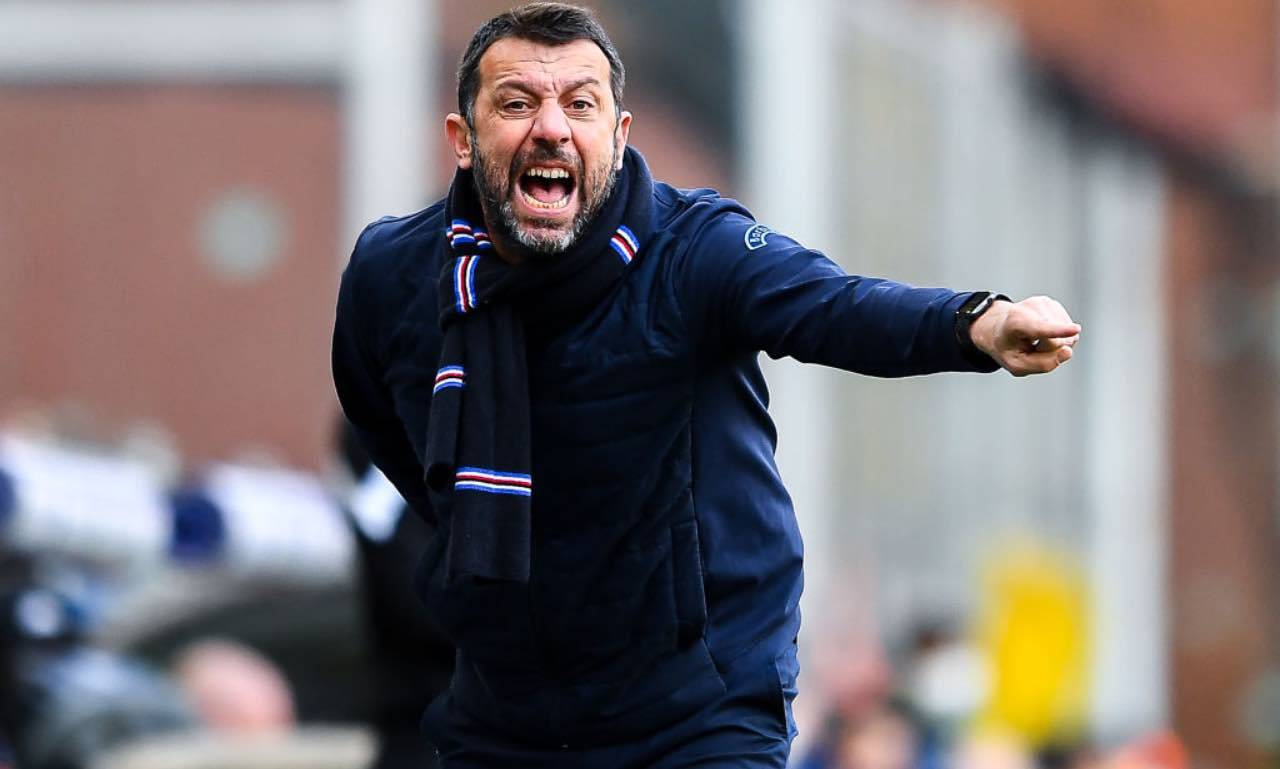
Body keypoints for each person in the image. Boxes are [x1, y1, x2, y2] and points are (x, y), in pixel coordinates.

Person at [331, 3, 1081, 767]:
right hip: (507, 706)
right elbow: (385, 428)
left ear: (619, 138)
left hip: (698, 706)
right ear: (463, 139)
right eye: (517, 103)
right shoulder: (392, 276)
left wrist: (978, 324)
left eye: (581, 104)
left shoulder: (698, 254)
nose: (551, 128)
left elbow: (836, 306)